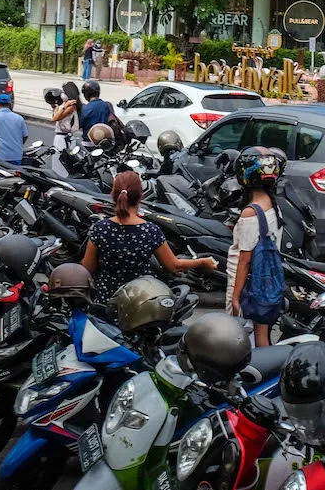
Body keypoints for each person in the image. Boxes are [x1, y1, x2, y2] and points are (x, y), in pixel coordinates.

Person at [81, 170, 217, 303]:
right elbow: (174, 266)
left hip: (107, 300)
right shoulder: (150, 230)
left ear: (113, 195)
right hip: (141, 301)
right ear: (140, 196)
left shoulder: (100, 229)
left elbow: (87, 268)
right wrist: (202, 262)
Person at [227, 146, 285, 348]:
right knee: (262, 335)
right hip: (265, 284)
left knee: (239, 339)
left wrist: (235, 297)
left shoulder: (251, 213)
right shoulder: (273, 204)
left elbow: (244, 260)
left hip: (247, 287)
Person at [51, 81, 82, 176]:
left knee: (61, 164)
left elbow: (55, 118)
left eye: (64, 92)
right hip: (61, 138)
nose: (62, 94)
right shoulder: (65, 105)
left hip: (64, 139)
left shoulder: (71, 106)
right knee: (57, 163)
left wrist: (64, 107)